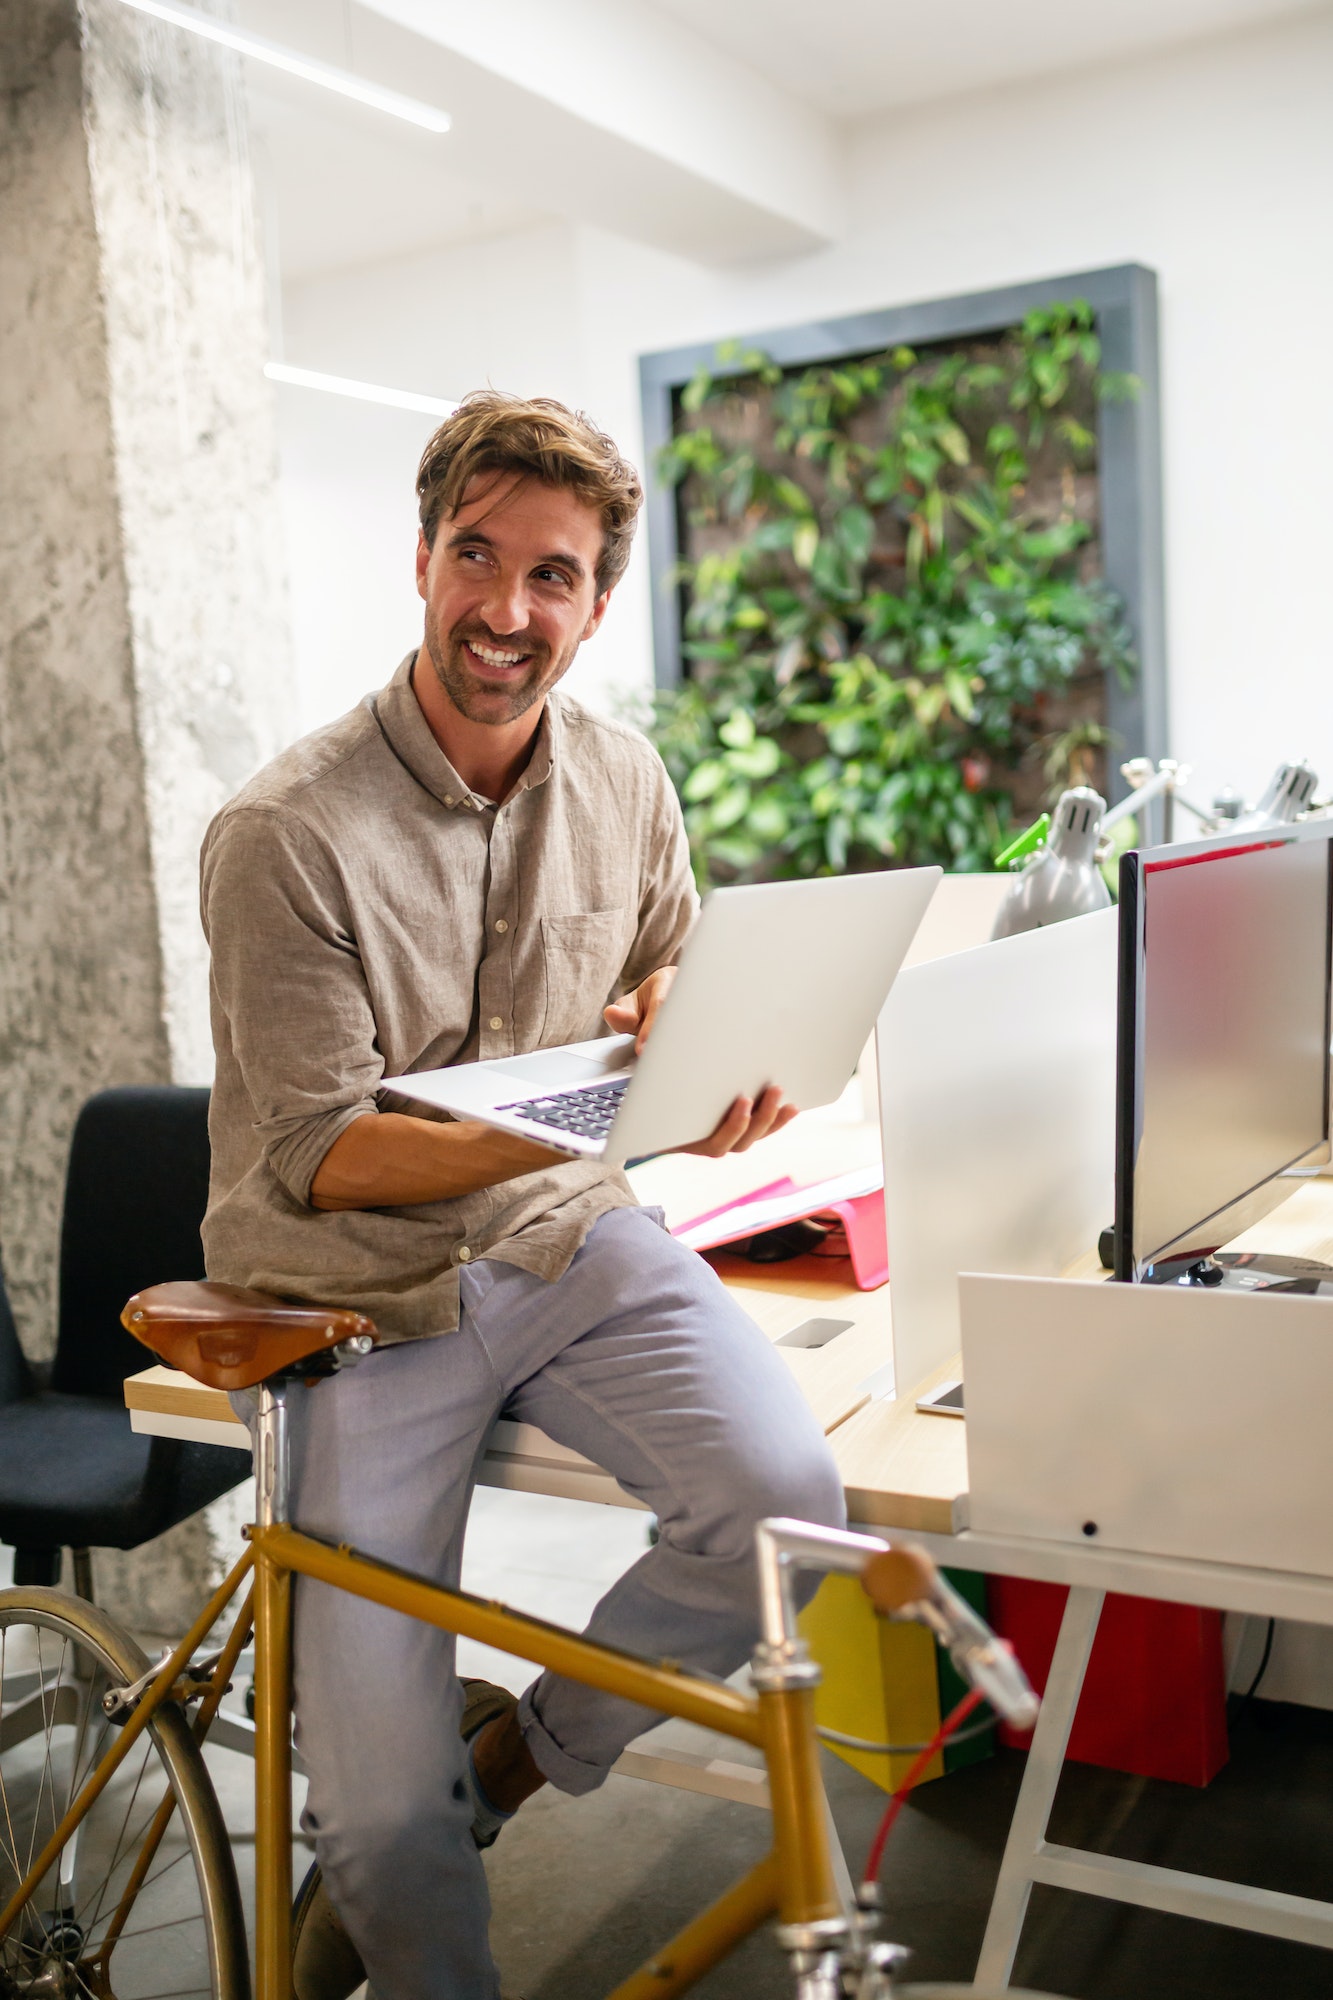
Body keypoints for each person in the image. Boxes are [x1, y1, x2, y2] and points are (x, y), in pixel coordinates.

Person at [201, 392, 846, 2000]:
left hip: (568, 1245)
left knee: (786, 1508)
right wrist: (587, 1114)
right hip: (356, 1295)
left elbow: (665, 957)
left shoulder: (624, 782)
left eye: (550, 576)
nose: (506, 609)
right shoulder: (285, 831)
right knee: (375, 1826)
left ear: (594, 604)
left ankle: (516, 1759)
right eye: (475, 558)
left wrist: (688, 1035)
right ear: (421, 559)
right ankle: (428, 1838)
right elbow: (325, 1153)